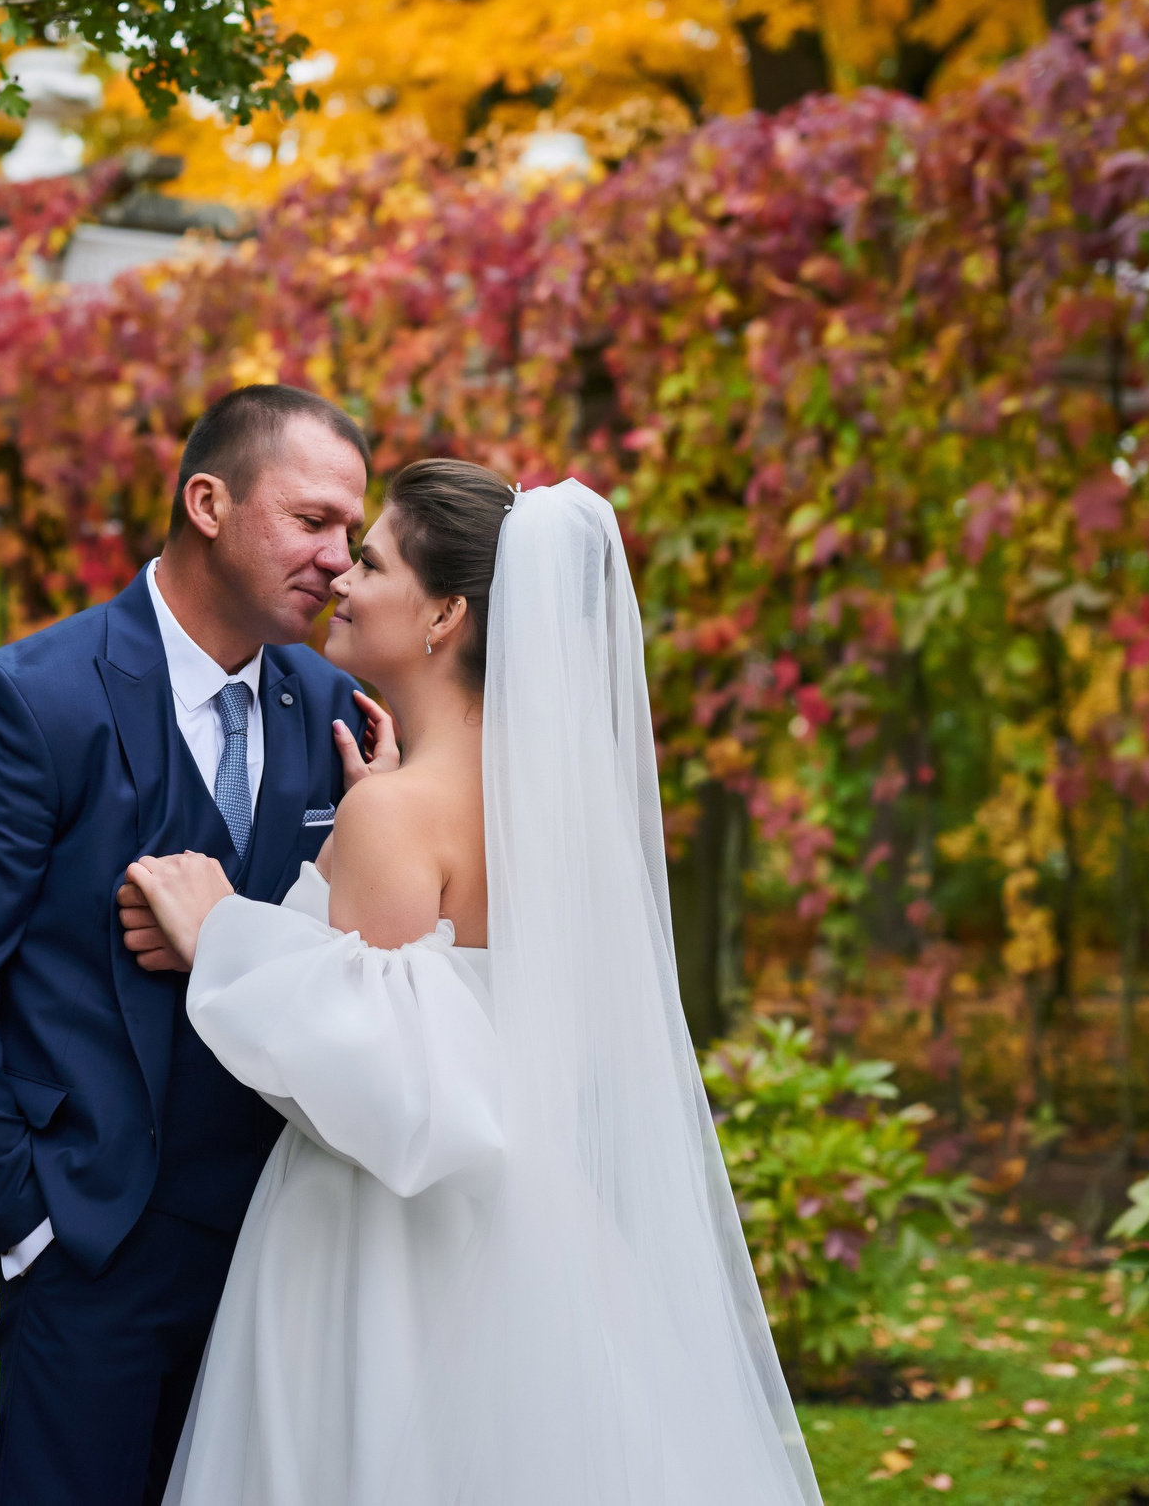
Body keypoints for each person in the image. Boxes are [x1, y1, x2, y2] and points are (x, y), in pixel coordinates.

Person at [123, 462, 825, 1506]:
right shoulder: (550, 813)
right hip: (535, 1231)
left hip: (374, 1247)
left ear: (445, 610)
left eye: (369, 559)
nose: (342, 581)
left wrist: (219, 930)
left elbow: (369, 1073)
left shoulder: (393, 816)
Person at [0, 384, 394, 1506]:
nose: (340, 560)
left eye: (351, 531)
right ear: (207, 501)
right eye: (312, 521)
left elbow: (371, 958)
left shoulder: (345, 713)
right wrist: (27, 1224)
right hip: (90, 1248)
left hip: (287, 1247)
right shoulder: (24, 701)